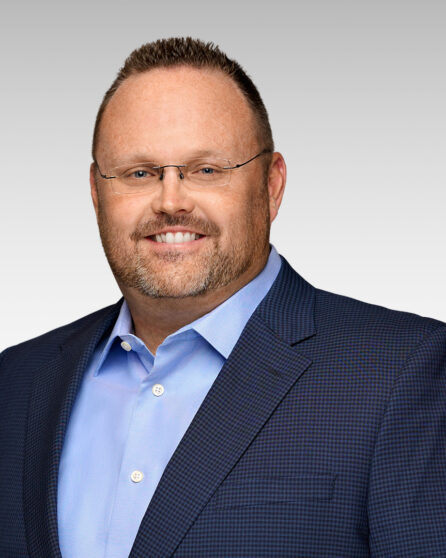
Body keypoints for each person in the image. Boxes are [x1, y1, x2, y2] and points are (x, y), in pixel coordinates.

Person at [0, 36, 445, 558]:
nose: (171, 201)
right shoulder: (17, 381)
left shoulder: (400, 373)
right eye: (139, 173)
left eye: (206, 170)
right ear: (97, 194)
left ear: (272, 185)